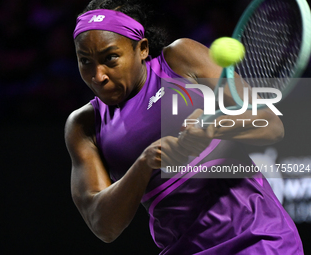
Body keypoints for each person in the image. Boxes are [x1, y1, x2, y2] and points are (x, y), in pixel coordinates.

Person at [65, 0, 304, 254]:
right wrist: (145, 164)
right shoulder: (83, 125)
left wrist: (215, 128)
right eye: (85, 61)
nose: (98, 75)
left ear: (142, 48)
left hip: (258, 237)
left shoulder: (180, 59)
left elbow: (272, 125)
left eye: (110, 58)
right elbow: (103, 226)